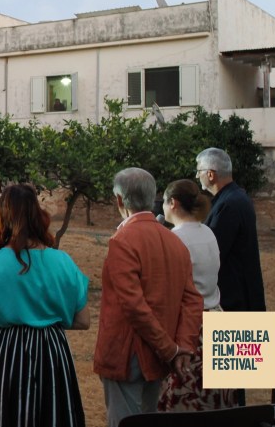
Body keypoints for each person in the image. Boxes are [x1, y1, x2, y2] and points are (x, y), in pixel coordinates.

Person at [0, 184, 90, 427]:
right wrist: (45, 319)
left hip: (7, 354)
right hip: (52, 352)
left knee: (8, 415)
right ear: (37, 215)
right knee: (52, 413)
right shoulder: (63, 260)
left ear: (3, 217)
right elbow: (83, 321)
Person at [94, 168, 202, 427]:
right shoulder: (174, 241)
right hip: (160, 353)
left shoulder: (123, 240)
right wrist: (181, 346)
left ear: (119, 200)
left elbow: (133, 306)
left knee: (124, 420)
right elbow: (192, 300)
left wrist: (172, 349)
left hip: (127, 351)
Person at [157, 179, 235, 411]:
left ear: (173, 203)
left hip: (191, 326)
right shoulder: (208, 232)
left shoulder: (175, 238)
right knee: (217, 400)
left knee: (187, 400)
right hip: (217, 317)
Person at [196, 147, 266, 312]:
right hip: (242, 294)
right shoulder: (234, 197)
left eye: (199, 171)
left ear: (210, 174)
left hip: (236, 300)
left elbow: (214, 251)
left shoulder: (229, 204)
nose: (197, 176)